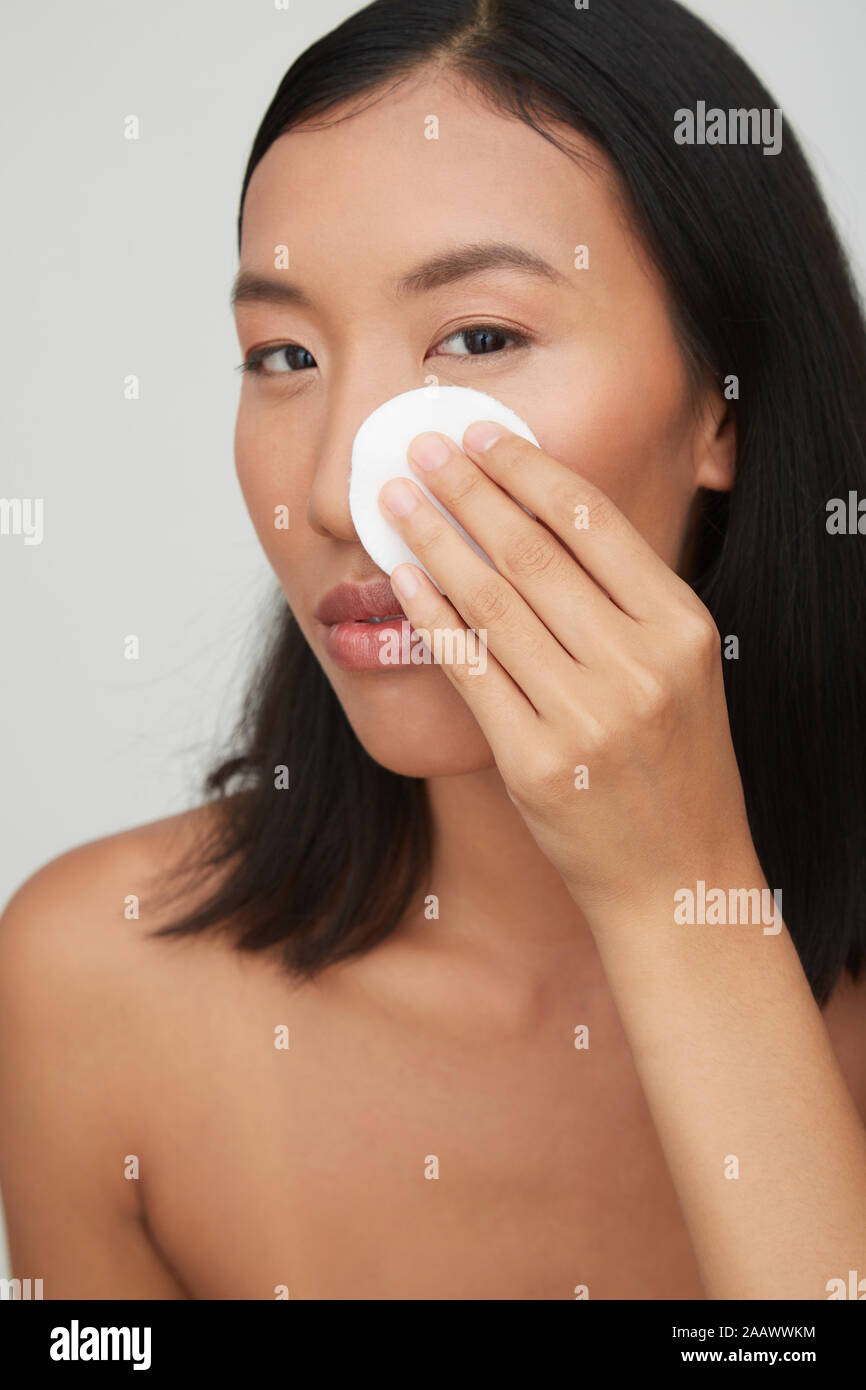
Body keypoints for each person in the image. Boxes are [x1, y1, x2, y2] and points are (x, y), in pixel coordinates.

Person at [2, 0, 865, 1300]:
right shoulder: (91, 983)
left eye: (478, 338)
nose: (341, 497)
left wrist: (681, 904)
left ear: (720, 404)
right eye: (281, 354)